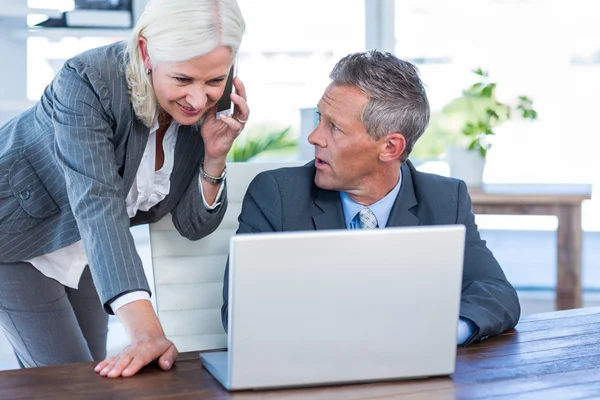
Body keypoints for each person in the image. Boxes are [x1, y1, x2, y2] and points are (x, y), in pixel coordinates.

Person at [0, 0, 247, 378]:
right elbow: (97, 201)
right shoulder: (86, 79)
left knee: (86, 372)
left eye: (214, 81)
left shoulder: (210, 88)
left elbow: (191, 225)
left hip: (87, 247)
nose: (198, 99)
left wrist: (214, 156)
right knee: (70, 379)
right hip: (16, 234)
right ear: (147, 51)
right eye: (182, 80)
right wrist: (147, 331)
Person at [221, 51, 520, 346]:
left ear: (390, 148)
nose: (314, 137)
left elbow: (496, 293)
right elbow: (239, 314)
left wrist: (445, 333)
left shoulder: (445, 199)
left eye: (334, 127)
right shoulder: (277, 195)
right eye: (319, 119)